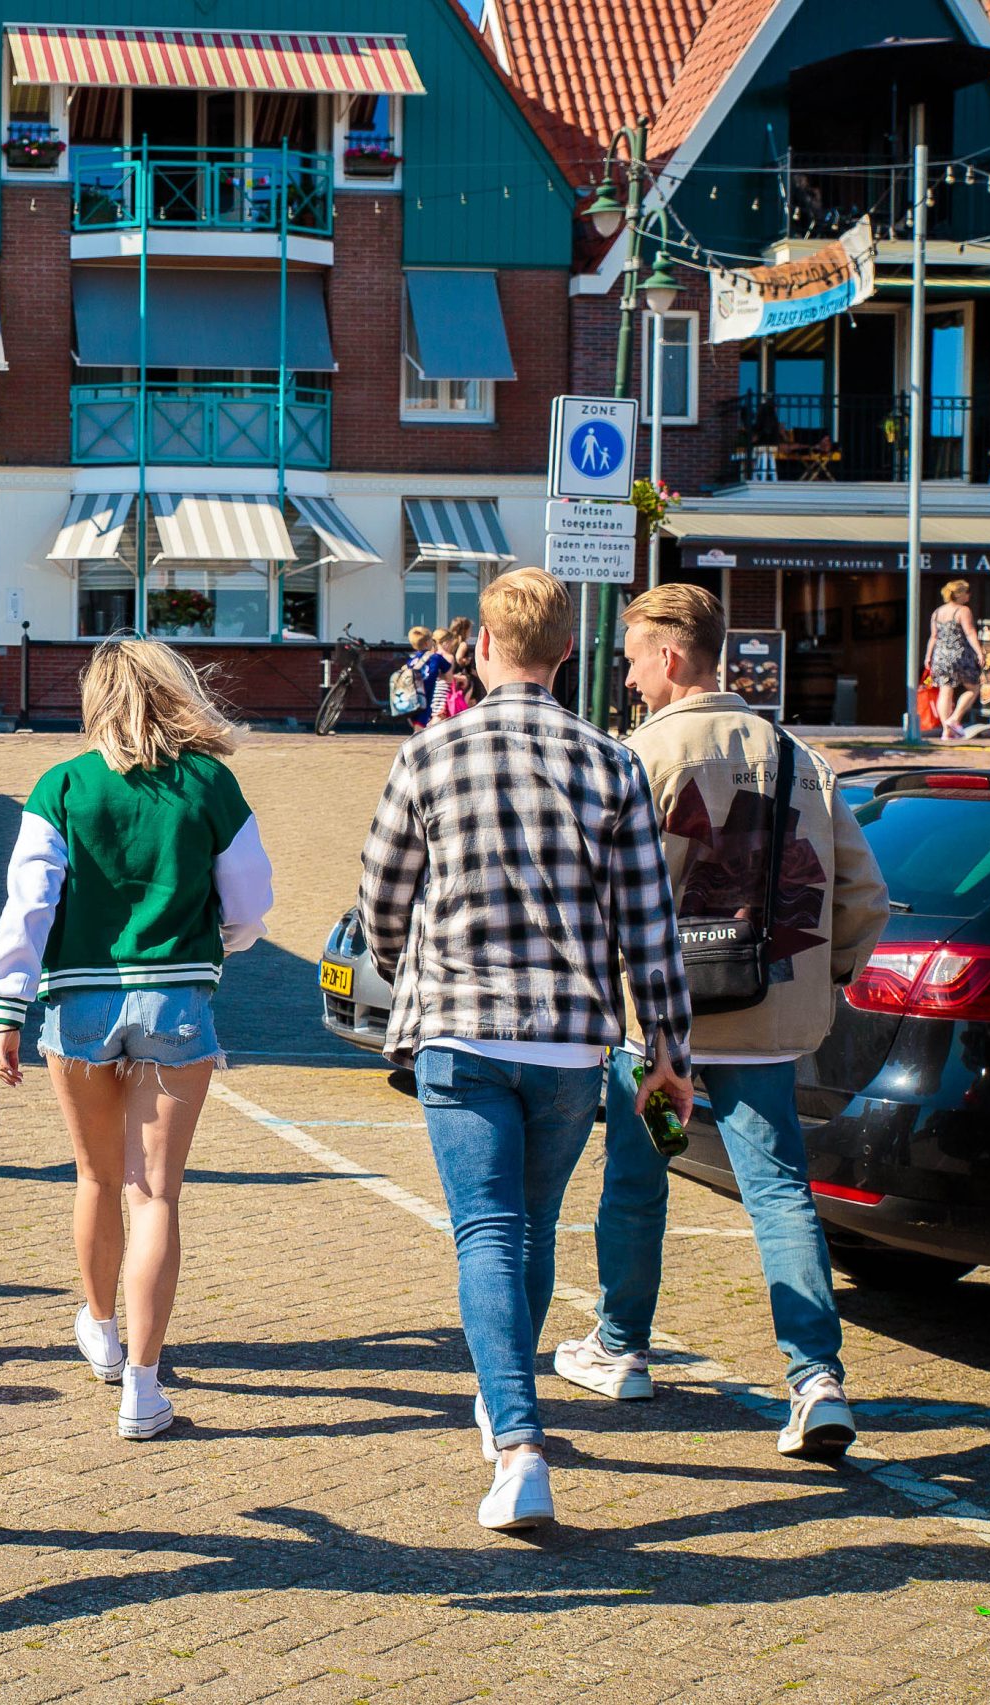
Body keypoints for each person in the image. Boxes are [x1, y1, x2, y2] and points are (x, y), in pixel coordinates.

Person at [357, 567, 693, 1534]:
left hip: (458, 1032)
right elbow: (648, 924)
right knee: (530, 1224)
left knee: (487, 1231)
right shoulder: (612, 763)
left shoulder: (429, 755)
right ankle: (507, 1398)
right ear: (565, 654)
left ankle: (517, 1440)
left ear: (484, 648)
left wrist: (409, 966)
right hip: (568, 1041)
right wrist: (668, 1045)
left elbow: (382, 897)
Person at [559, 584, 889, 1460]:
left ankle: (622, 1346)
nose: (627, 679)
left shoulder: (635, 758)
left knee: (640, 1174)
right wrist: (830, 973)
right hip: (767, 1020)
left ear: (669, 658)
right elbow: (864, 894)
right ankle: (815, 1377)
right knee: (780, 1190)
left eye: (631, 659)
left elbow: (596, 895)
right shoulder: (798, 759)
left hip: (664, 1032)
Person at [0, 638, 274, 1440]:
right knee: (156, 1194)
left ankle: (101, 1328)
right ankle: (143, 1390)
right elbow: (252, 902)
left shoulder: (62, 784)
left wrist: (8, 1009)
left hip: (78, 1005)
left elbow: (27, 907)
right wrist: (218, 937)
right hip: (178, 999)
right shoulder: (210, 783)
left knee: (95, 1178)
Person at [927, 579, 983, 739]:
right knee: (973, 688)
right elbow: (970, 632)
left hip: (940, 656)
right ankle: (954, 719)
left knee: (945, 691)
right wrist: (979, 652)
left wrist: (928, 656)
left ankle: (946, 731)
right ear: (960, 594)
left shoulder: (937, 612)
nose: (969, 595)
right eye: (967, 592)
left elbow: (933, 637)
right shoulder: (963, 611)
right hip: (959, 655)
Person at [402, 626, 451, 731]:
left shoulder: (412, 661)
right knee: (419, 731)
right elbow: (448, 677)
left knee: (418, 728)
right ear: (427, 642)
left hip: (411, 700)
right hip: (425, 700)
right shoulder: (436, 658)